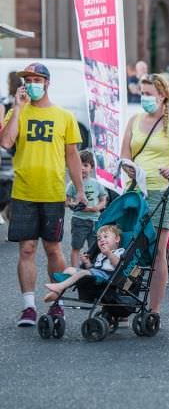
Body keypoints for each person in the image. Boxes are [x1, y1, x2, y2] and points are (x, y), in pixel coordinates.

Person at [0, 62, 86, 326]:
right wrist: (18, 109)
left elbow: (72, 155)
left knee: (53, 249)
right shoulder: (18, 112)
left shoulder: (64, 116)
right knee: (26, 249)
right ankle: (28, 307)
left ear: (47, 82)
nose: (32, 84)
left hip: (52, 192)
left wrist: (80, 189)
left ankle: (56, 300)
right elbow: (5, 142)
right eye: (28, 80)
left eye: (37, 79)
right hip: (24, 190)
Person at [121, 73, 169, 318]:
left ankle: (154, 309)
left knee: (158, 249)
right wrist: (127, 167)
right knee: (131, 246)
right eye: (142, 93)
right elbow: (125, 155)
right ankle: (124, 300)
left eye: (149, 94)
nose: (145, 98)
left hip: (163, 190)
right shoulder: (134, 120)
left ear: (162, 96)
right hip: (137, 190)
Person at [44, 225, 124, 302]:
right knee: (69, 270)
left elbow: (119, 265)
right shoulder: (100, 254)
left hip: (108, 277)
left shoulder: (120, 252)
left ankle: (59, 287)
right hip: (97, 274)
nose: (101, 240)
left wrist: (109, 254)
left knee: (83, 272)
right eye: (99, 239)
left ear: (117, 239)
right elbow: (93, 269)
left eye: (105, 237)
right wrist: (87, 263)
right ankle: (56, 293)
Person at [66, 150, 107, 267]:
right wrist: (73, 204)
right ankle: (74, 270)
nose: (82, 168)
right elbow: (66, 201)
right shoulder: (72, 184)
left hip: (95, 220)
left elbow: (103, 199)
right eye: (79, 165)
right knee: (76, 247)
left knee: (94, 248)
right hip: (79, 220)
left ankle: (92, 270)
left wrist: (97, 207)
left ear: (92, 167)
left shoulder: (97, 184)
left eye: (86, 165)